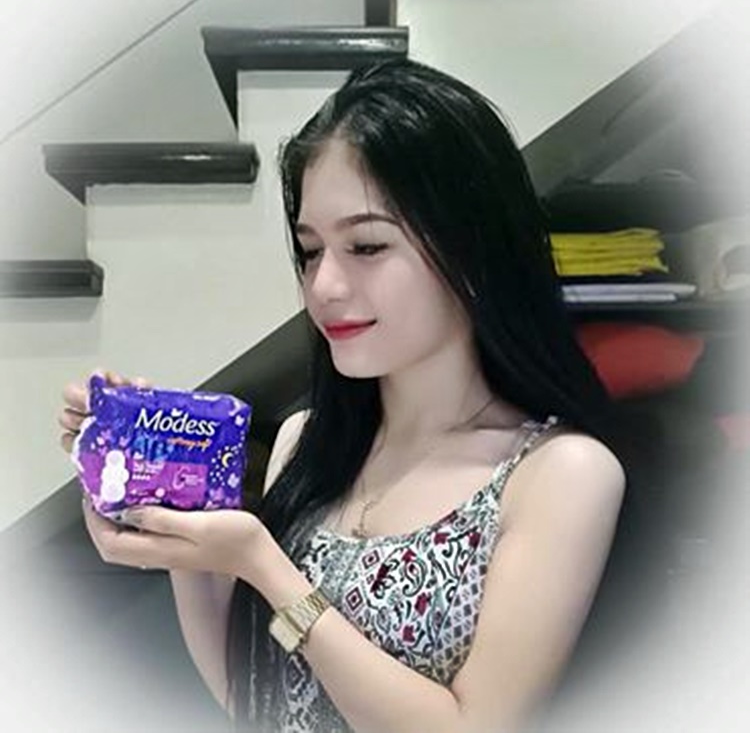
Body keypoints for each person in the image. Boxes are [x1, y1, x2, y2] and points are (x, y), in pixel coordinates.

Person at [59, 58, 644, 733]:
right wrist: (174, 522)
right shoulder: (305, 441)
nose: (324, 287)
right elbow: (253, 696)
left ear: (472, 249)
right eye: (310, 251)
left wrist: (264, 566)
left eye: (366, 246)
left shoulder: (560, 474)